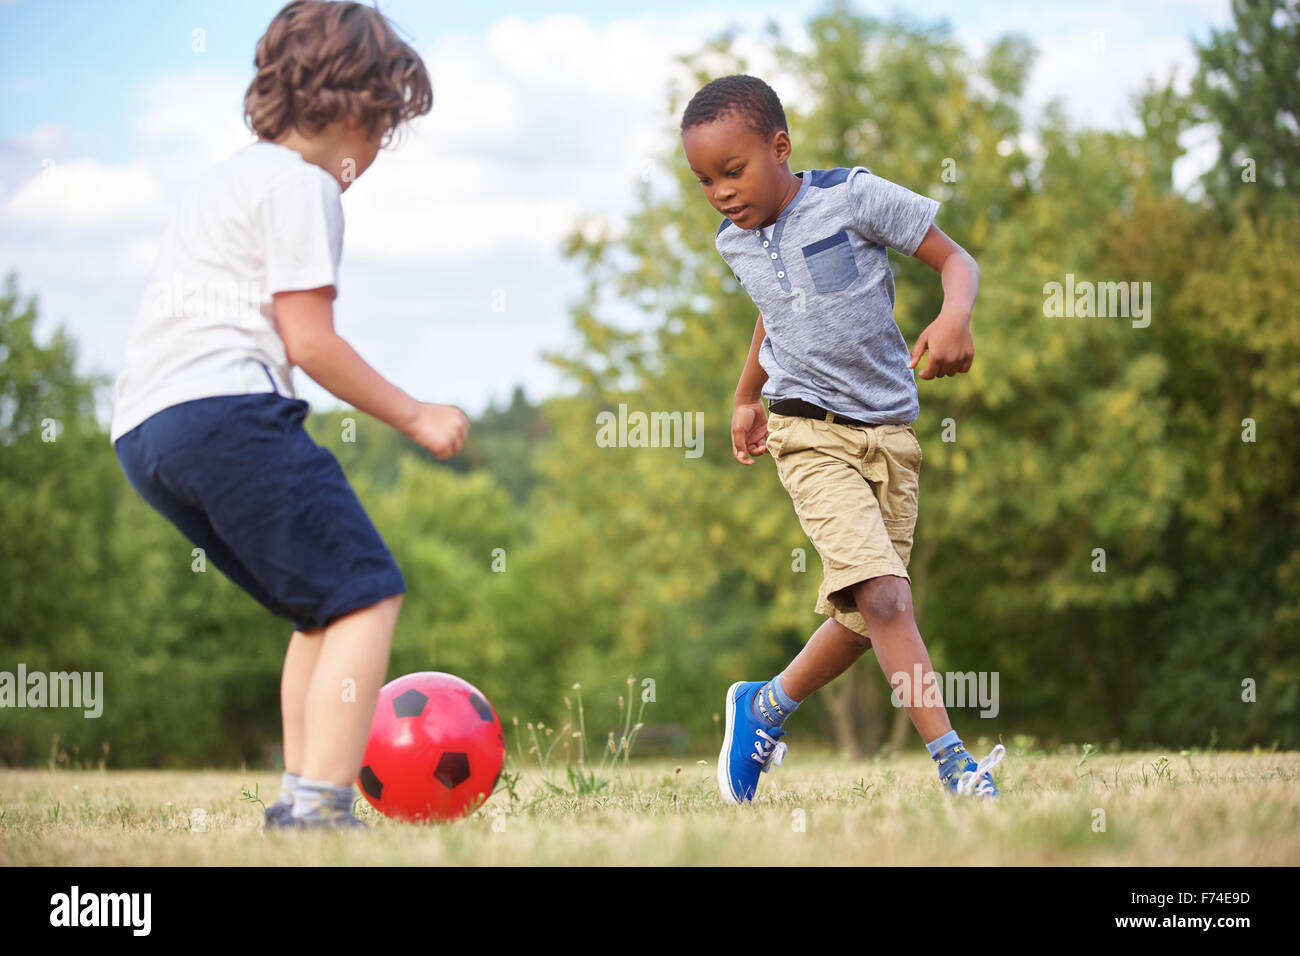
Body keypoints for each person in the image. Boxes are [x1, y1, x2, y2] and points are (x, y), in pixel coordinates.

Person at [110, 0, 467, 829]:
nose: (376, 153)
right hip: (225, 412)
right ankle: (319, 809)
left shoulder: (227, 176)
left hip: (146, 430)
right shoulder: (305, 187)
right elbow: (308, 342)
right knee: (367, 591)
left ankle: (298, 796)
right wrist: (414, 414)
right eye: (382, 129)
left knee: (321, 605)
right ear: (352, 110)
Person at [680, 74, 1005, 803]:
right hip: (806, 432)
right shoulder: (734, 242)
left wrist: (956, 315)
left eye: (733, 171)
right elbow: (775, 311)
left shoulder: (853, 198)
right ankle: (957, 768)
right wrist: (745, 396)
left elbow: (957, 260)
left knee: (865, 620)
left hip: (890, 435)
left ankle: (762, 708)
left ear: (780, 147)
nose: (722, 193)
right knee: (887, 598)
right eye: (705, 181)